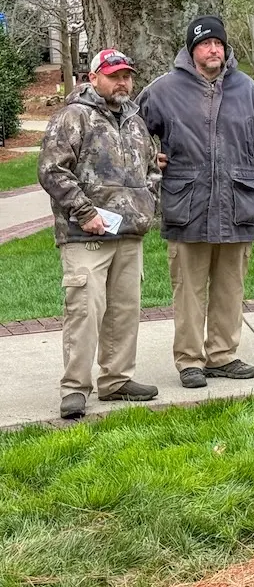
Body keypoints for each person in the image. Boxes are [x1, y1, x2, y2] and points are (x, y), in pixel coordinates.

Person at [138, 15, 254, 388]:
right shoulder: (162, 90)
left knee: (230, 287)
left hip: (238, 203)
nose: (212, 49)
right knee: (189, 290)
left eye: (217, 43)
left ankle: (223, 355)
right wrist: (150, 156)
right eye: (204, 44)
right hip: (187, 206)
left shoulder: (248, 90)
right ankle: (189, 360)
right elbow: (130, 132)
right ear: (191, 50)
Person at [38, 49, 160, 419]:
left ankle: (118, 380)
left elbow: (152, 168)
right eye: (113, 75)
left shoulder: (136, 121)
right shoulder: (73, 117)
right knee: (85, 311)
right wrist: (85, 211)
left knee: (125, 310)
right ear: (94, 78)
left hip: (128, 233)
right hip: (84, 234)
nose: (121, 82)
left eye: (126, 76)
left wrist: (148, 204)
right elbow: (52, 170)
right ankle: (75, 388)